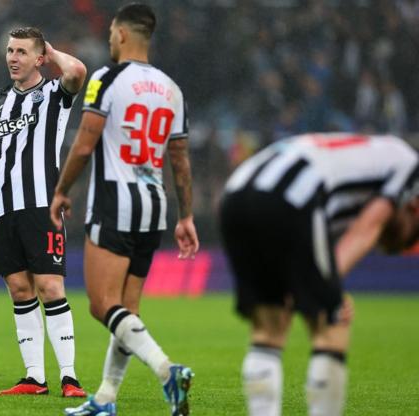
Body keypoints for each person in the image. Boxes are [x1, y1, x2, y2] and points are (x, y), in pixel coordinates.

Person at [49, 4, 199, 416]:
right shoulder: (172, 89)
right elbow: (180, 160)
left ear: (123, 35)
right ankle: (105, 399)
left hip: (115, 200)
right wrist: (185, 216)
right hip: (155, 205)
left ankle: (168, 371)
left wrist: (62, 190)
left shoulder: (106, 79)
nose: (109, 39)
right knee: (127, 312)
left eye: (112, 33)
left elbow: (84, 143)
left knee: (102, 305)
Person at [219, 132, 419, 416]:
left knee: (268, 328)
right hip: (294, 195)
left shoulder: (366, 156)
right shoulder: (410, 164)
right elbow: (367, 229)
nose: (391, 246)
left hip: (235, 193)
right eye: (406, 239)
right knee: (332, 325)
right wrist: (331, 290)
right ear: (413, 207)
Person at [0, 27, 87, 398]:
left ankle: (70, 377)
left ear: (39, 58)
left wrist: (53, 52)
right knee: (19, 289)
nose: (12, 58)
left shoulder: (54, 93)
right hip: (4, 208)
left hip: (42, 205)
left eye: (21, 52)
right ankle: (34, 377)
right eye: (9, 50)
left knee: (50, 286)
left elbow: (78, 72)